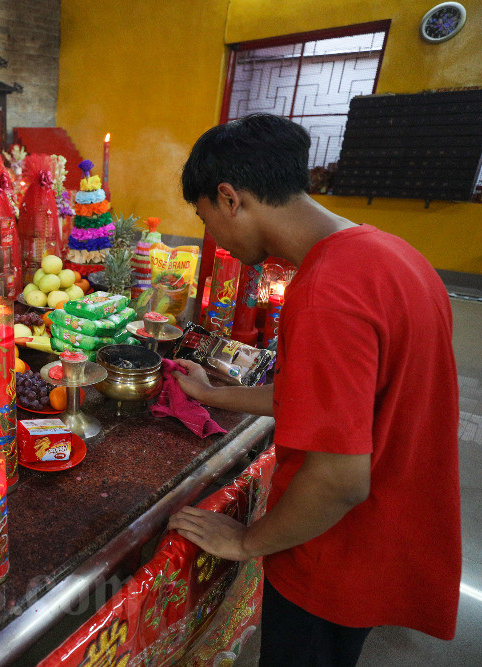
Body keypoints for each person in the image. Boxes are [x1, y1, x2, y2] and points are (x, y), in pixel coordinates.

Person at [168, 113, 461, 665]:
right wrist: (215, 395)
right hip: (386, 539)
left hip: (336, 552)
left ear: (230, 199)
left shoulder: (327, 291)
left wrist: (244, 543)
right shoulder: (392, 256)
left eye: (207, 220)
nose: (215, 238)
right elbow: (331, 402)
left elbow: (338, 480)